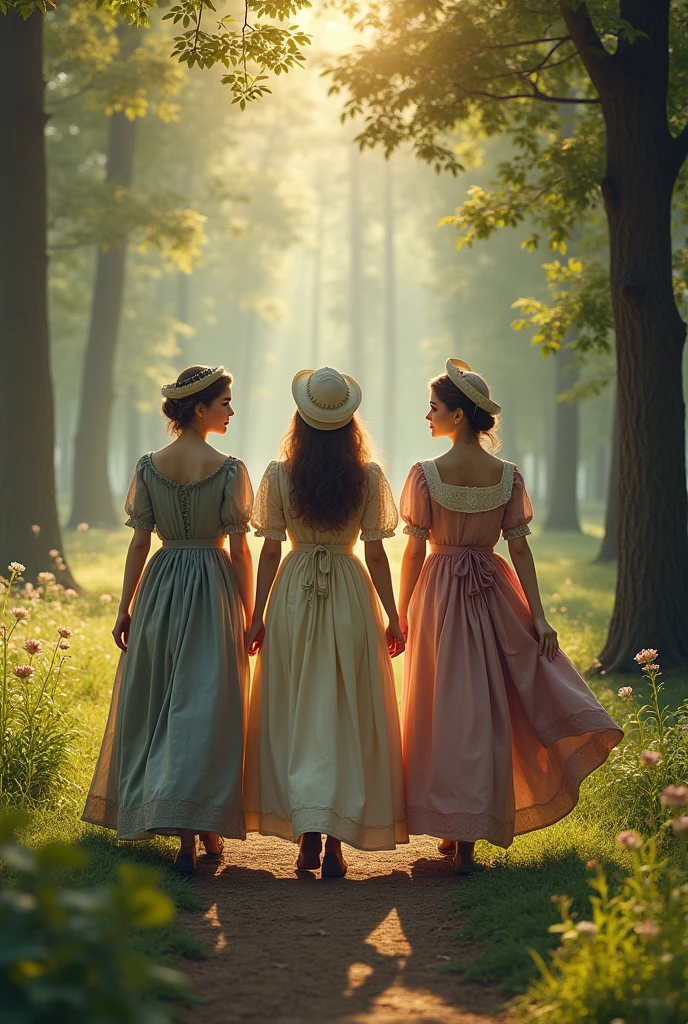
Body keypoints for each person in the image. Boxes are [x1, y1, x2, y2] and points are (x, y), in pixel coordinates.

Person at [399, 359, 622, 875]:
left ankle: (456, 828)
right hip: (493, 594)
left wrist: (403, 610)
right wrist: (537, 617)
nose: (427, 416)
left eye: (434, 408)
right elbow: (520, 552)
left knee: (446, 709)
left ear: (457, 416)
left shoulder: (426, 475)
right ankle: (471, 833)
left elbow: (412, 553)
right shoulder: (507, 476)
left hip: (439, 595)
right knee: (485, 709)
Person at [82, 365, 254, 874]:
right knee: (203, 705)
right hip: (211, 585)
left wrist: (124, 606)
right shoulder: (228, 468)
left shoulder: (149, 465)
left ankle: (179, 822)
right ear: (199, 408)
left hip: (161, 585)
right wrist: (249, 612)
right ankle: (199, 827)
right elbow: (241, 551)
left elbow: (139, 542)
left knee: (161, 699)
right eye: (224, 401)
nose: (230, 410)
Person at [244, 366, 408, 877]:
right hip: (350, 593)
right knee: (343, 711)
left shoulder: (278, 474)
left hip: (295, 591)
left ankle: (307, 836)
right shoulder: (369, 476)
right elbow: (378, 555)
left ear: (301, 421)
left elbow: (270, 551)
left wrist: (257, 613)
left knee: (298, 711)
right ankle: (337, 840)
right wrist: (393, 614)